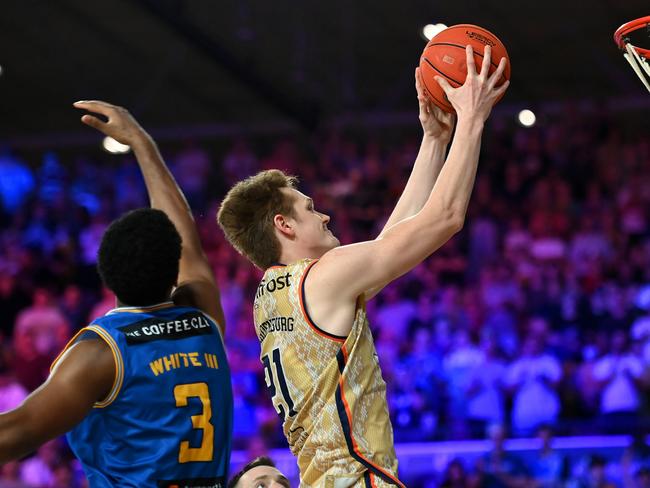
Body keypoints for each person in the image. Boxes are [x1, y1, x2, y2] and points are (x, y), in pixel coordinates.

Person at [218, 46, 509, 486]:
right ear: (284, 226)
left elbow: (386, 248)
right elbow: (444, 219)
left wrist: (434, 142)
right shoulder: (322, 278)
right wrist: (472, 119)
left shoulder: (272, 296)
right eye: (310, 208)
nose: (325, 215)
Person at [0, 101, 232, 488]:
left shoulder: (103, 352)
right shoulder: (204, 316)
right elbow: (186, 238)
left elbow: (15, 433)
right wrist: (142, 143)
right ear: (173, 269)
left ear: (106, 279)